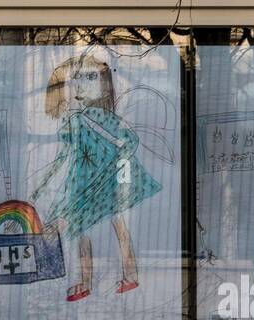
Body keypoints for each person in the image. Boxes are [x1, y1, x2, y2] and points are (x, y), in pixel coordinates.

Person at [30, 54, 161, 302]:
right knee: (86, 229)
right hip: (83, 181)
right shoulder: (75, 120)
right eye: (76, 78)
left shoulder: (99, 117)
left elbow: (129, 141)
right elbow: (64, 156)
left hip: (101, 181)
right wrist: (44, 183)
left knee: (109, 225)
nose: (80, 84)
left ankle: (124, 276)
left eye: (89, 77)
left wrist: (119, 173)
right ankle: (90, 281)